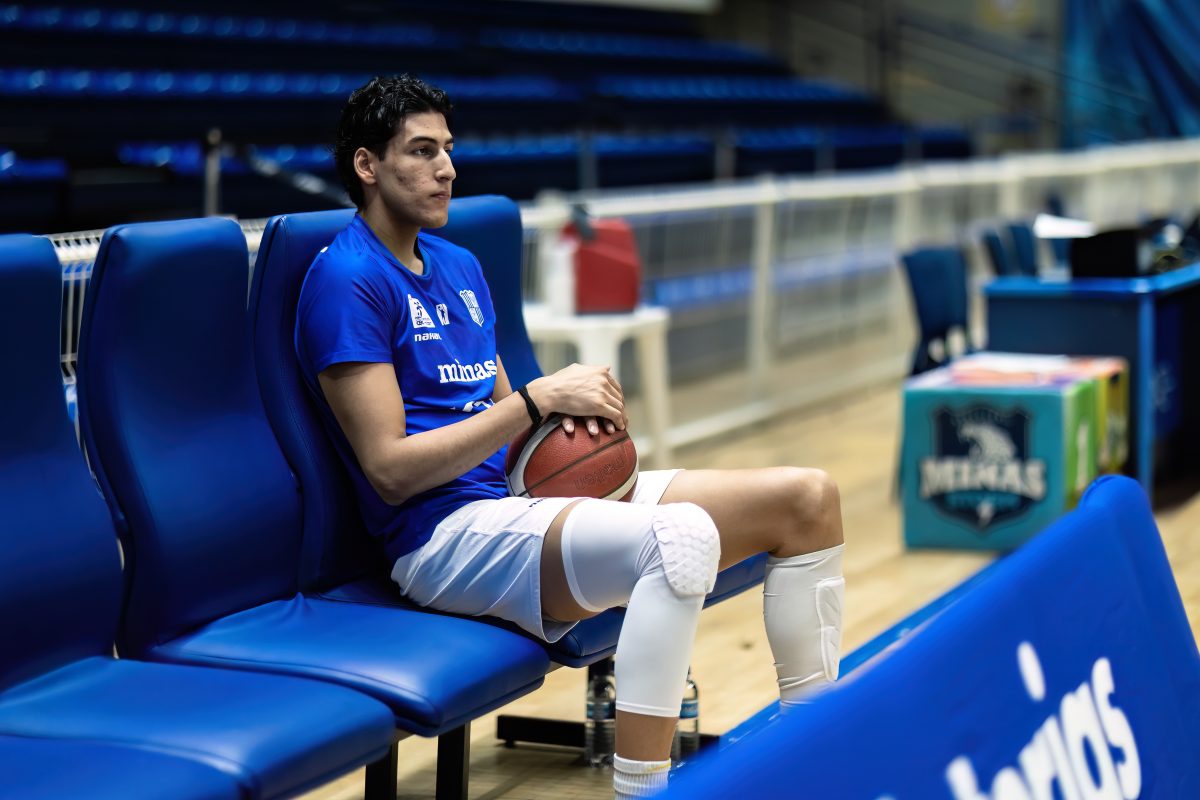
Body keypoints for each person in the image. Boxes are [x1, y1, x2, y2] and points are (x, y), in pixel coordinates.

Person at [296, 75, 846, 800]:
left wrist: (579, 430)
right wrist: (538, 399)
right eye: (422, 151)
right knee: (679, 541)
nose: (447, 169)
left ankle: (821, 766)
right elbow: (391, 471)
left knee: (808, 499)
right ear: (367, 165)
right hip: (437, 535)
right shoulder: (347, 279)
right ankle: (644, 790)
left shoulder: (459, 266)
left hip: (513, 501)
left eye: (448, 150)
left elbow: (504, 420)